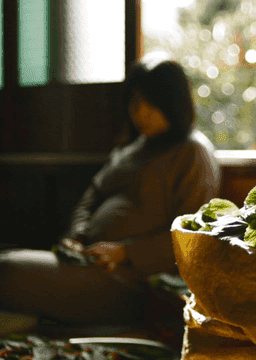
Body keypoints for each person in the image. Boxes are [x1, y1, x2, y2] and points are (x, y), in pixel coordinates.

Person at [0, 53, 221, 332]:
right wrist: (76, 235)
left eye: (150, 104)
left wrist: (125, 253)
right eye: (134, 102)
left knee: (7, 269)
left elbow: (192, 236)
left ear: (173, 104)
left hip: (135, 280)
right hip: (85, 260)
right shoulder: (131, 149)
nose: (139, 113)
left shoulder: (193, 153)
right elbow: (91, 197)